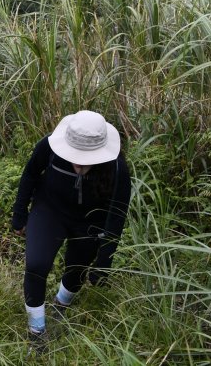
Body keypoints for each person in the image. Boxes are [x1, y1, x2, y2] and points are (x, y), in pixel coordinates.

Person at [11, 110, 132, 343]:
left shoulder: (117, 168)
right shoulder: (48, 146)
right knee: (36, 265)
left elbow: (117, 214)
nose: (78, 162)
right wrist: (19, 214)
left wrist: (105, 260)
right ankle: (36, 332)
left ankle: (61, 304)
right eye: (75, 154)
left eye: (86, 158)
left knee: (77, 269)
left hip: (90, 220)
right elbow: (30, 174)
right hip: (50, 210)